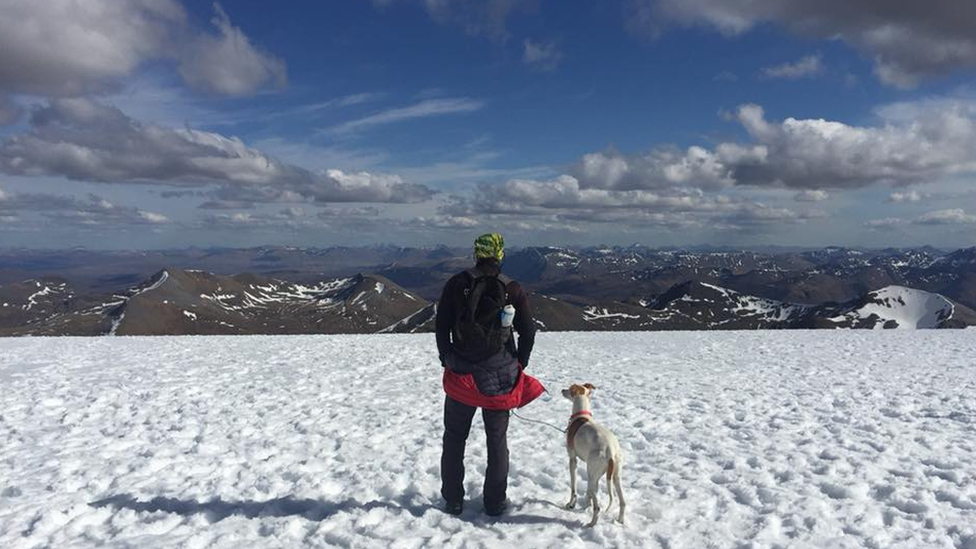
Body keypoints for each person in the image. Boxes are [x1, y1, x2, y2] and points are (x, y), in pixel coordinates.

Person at [436, 233, 543, 517]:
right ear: (500, 254)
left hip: (461, 375)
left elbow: (442, 324)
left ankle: (453, 500)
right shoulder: (512, 289)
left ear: (476, 253)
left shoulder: (457, 284)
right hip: (501, 378)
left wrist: (446, 357)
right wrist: (520, 362)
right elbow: (528, 331)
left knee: (454, 438)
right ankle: (494, 503)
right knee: (497, 443)